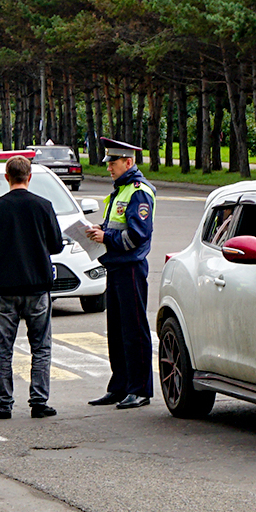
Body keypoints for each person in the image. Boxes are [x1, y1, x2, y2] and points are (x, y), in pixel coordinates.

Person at [0, 154, 64, 419]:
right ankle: (39, 401)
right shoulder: (43, 206)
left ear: (6, 177)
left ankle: (3, 404)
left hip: (4, 288)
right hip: (37, 287)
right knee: (41, 347)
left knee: (3, 347)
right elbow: (57, 245)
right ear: (29, 177)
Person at [86, 137, 155, 409]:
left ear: (128, 162)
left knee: (134, 330)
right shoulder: (120, 190)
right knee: (116, 330)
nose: (108, 168)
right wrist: (99, 230)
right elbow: (117, 225)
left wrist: (107, 236)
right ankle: (120, 386)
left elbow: (138, 235)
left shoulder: (138, 191)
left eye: (112, 163)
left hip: (130, 267)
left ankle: (139, 389)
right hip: (115, 266)